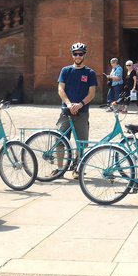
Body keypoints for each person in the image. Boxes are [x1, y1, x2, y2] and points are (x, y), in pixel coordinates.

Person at [57, 42, 98, 178]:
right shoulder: (66, 70)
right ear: (72, 55)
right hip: (66, 111)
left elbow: (92, 93)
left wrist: (80, 104)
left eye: (80, 54)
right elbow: (60, 89)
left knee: (81, 143)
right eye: (76, 54)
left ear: (84, 55)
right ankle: (59, 168)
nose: (78, 56)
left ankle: (77, 168)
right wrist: (69, 104)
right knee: (60, 140)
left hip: (82, 111)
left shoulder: (90, 73)